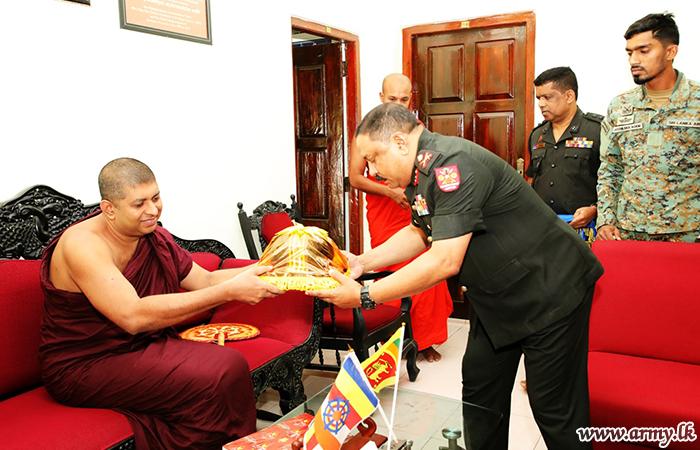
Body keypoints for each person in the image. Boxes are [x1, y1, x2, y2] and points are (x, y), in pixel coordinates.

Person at [308, 103, 603, 449]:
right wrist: (362, 261)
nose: (371, 169)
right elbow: (420, 231)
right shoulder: (421, 172)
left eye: (374, 157)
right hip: (496, 297)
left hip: (550, 290)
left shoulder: (452, 165)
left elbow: (444, 260)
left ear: (401, 143)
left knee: (553, 407)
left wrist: (364, 295)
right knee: (481, 389)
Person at [39, 158, 285, 450]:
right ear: (109, 209)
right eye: (139, 203)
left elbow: (205, 280)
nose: (153, 209)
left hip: (141, 346)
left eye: (156, 198)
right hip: (84, 364)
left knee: (230, 364)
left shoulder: (153, 235)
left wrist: (275, 267)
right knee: (215, 374)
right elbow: (132, 316)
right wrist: (230, 292)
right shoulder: (82, 244)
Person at [348, 73, 453, 363]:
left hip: (413, 207)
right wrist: (389, 192)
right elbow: (355, 177)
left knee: (427, 271)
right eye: (392, 98)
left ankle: (425, 340)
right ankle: (393, 335)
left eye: (404, 99)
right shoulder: (366, 131)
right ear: (381, 97)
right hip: (385, 209)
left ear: (411, 99)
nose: (398, 103)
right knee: (393, 270)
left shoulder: (416, 130)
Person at [597, 12, 700, 242]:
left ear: (670, 52)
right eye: (630, 52)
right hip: (628, 233)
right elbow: (610, 170)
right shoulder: (620, 106)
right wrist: (606, 219)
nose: (634, 60)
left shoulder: (696, 101)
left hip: (687, 235)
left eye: (644, 51)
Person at [526, 66, 602, 242]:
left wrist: (594, 210)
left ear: (569, 96)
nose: (541, 104)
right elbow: (531, 180)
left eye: (547, 97)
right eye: (539, 98)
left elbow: (615, 181)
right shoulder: (537, 134)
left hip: (584, 230)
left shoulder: (596, 130)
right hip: (544, 229)